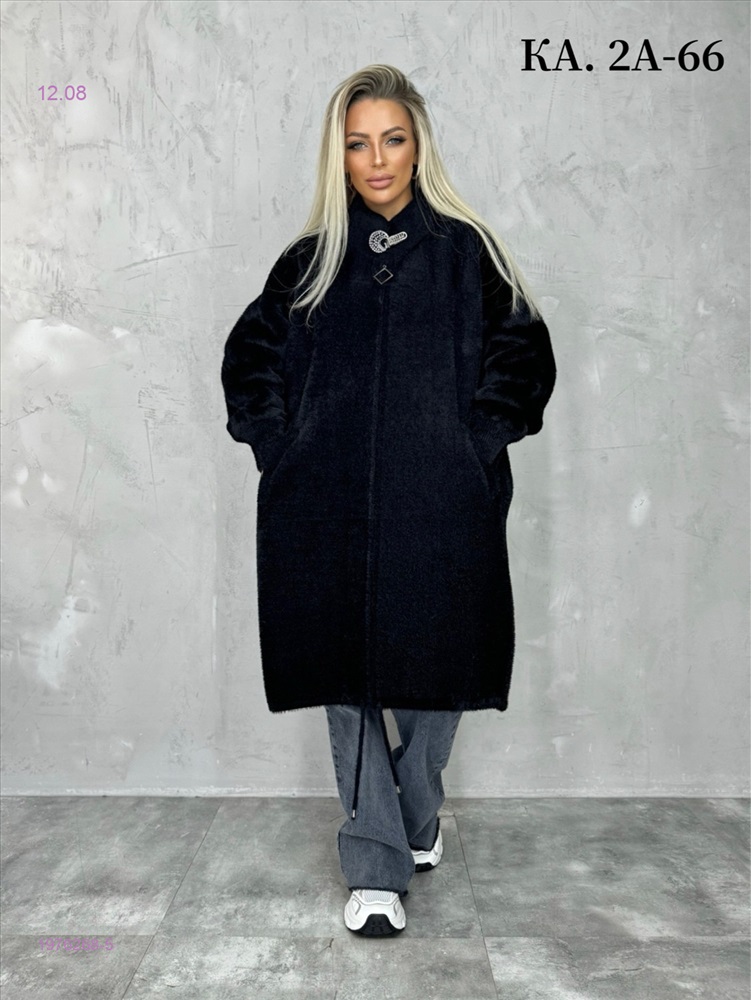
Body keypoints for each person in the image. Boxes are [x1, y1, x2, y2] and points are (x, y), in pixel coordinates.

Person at [221, 64, 556, 936]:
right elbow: (249, 357)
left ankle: (414, 812)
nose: (376, 160)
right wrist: (277, 447)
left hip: (441, 501)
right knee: (346, 678)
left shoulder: (466, 253)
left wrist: (472, 443)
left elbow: (522, 354)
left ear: (417, 147)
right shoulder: (308, 262)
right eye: (358, 143)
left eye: (392, 140)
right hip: (322, 504)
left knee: (442, 669)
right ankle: (375, 864)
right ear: (338, 155)